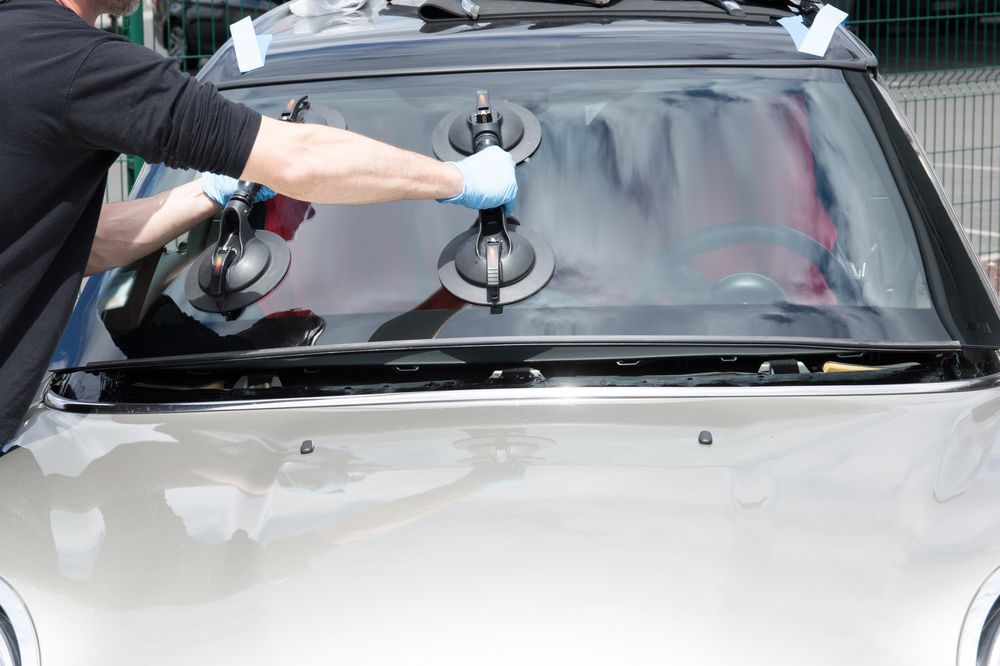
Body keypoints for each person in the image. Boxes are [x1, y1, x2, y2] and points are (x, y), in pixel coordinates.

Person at [0, 0, 518, 446]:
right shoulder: (73, 65)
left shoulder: (23, 49)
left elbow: (70, 246)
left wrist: (206, 192)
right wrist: (456, 179)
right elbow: (301, 161)